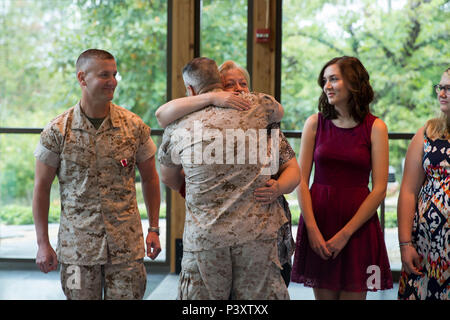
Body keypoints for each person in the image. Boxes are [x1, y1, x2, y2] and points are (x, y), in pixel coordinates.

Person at [155, 60, 299, 286]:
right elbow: (162, 116)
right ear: (219, 88)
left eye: (243, 83)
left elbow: (292, 167)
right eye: (230, 84)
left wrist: (279, 187)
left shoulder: (262, 118)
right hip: (233, 238)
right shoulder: (191, 119)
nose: (239, 89)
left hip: (254, 231)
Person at [32, 49, 161, 300]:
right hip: (77, 251)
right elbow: (41, 187)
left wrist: (154, 228)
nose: (112, 81)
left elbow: (150, 178)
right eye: (104, 75)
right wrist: (42, 244)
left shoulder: (134, 126)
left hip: (126, 250)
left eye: (114, 74)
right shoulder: (57, 131)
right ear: (83, 78)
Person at [291, 56, 393, 300]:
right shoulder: (314, 123)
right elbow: (300, 181)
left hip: (358, 228)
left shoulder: (376, 127)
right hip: (320, 223)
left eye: (334, 79)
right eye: (324, 80)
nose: (327, 85)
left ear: (354, 83)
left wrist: (346, 234)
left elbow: (379, 189)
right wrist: (313, 231)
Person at [397, 68, 450, 300]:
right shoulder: (428, 133)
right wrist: (405, 244)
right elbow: (408, 192)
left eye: (448, 88)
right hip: (426, 246)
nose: (442, 93)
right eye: (440, 87)